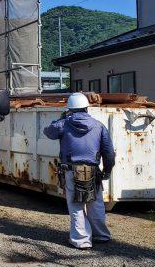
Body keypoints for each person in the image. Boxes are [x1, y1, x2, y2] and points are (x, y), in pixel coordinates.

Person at [43, 92, 115, 249]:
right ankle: (101, 235)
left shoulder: (64, 124)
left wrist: (62, 118)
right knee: (95, 203)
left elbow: (48, 132)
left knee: (76, 205)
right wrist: (107, 170)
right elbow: (109, 152)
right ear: (86, 108)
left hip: (70, 170)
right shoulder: (99, 125)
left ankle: (81, 240)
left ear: (70, 109)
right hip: (93, 171)